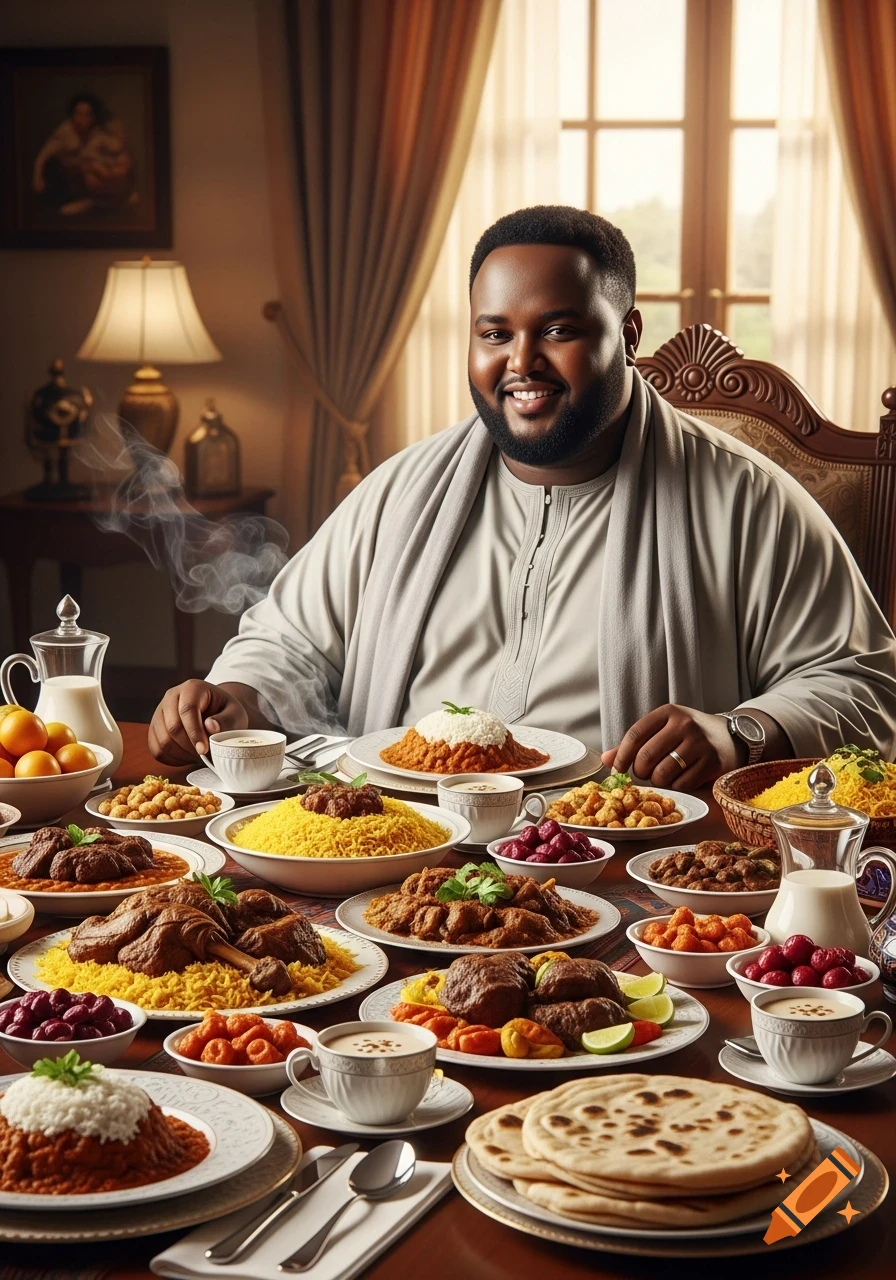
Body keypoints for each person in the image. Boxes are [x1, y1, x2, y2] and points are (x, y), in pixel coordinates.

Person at [149, 206, 896, 787]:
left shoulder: (746, 500)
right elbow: (291, 640)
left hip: (622, 865)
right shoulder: (403, 491)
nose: (522, 363)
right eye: (494, 333)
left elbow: (866, 686)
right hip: (405, 844)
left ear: (628, 333)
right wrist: (237, 697)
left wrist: (740, 733)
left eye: (558, 330)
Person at [32, 92, 134, 216]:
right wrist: (38, 177)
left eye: (87, 115)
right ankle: (89, 202)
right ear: (72, 115)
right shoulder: (65, 132)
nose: (83, 119)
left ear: (93, 117)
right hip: (72, 179)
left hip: (96, 177)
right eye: (79, 114)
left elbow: (117, 148)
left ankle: (106, 201)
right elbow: (45, 154)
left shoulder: (97, 132)